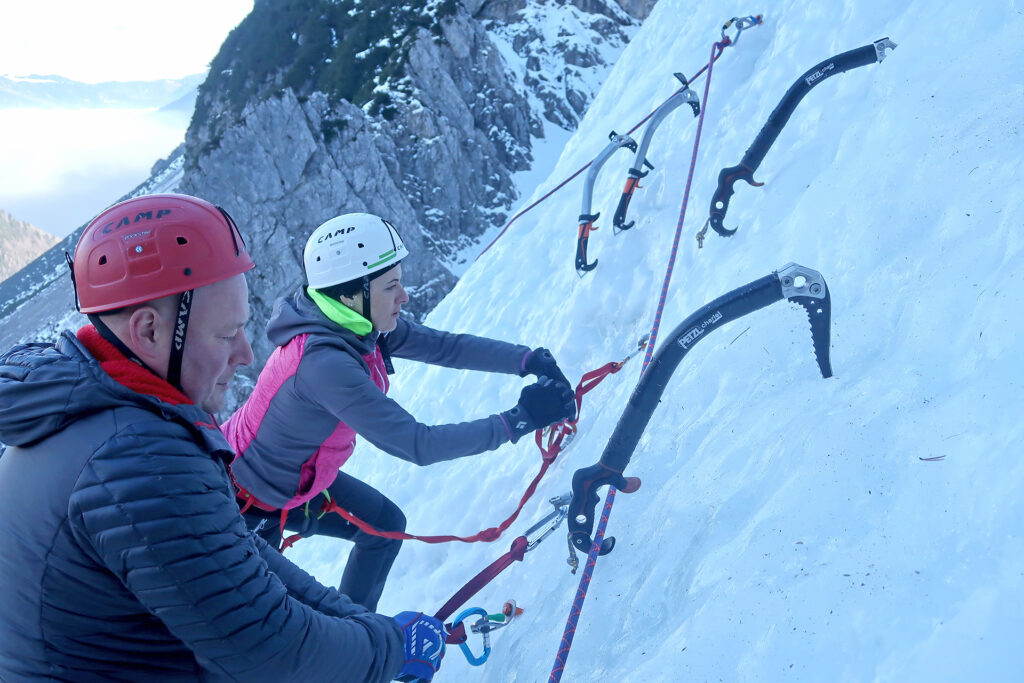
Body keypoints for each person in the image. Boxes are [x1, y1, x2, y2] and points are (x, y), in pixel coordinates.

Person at [0, 194, 444, 682]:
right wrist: (390, 649)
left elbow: (240, 561)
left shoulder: (87, 412)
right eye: (226, 333)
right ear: (149, 331)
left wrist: (366, 627)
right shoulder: (141, 461)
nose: (246, 354)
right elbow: (270, 648)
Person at [223, 212, 576, 611]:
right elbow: (417, 444)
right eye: (391, 286)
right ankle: (355, 651)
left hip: (294, 480)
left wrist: (528, 360)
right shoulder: (324, 363)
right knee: (278, 627)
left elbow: (446, 347)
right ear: (350, 294)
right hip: (245, 507)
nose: (403, 297)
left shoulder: (355, 325)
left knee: (384, 527)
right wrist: (519, 419)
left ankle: (358, 637)